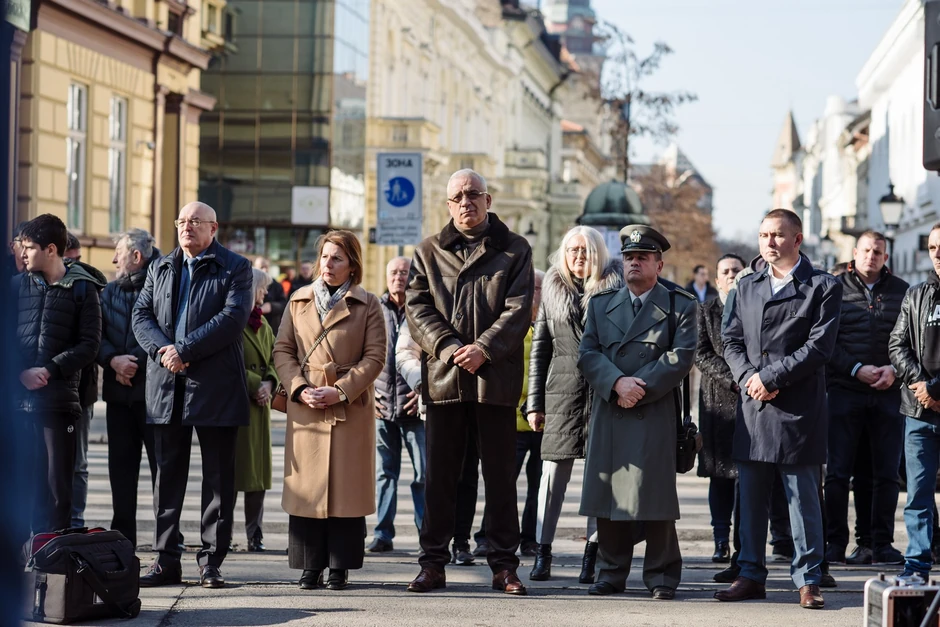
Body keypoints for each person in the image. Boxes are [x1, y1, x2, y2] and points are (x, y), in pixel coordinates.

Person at [405, 168, 533, 596]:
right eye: (458, 196)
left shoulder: (515, 249)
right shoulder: (428, 251)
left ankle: (504, 566)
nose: (466, 202)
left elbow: (518, 309)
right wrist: (447, 347)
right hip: (444, 381)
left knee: (500, 480)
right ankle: (432, 564)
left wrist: (484, 348)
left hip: (495, 381)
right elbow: (417, 308)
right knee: (440, 479)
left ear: (488, 200)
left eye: (474, 194)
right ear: (448, 205)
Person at [717, 209, 842, 610]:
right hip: (754, 405)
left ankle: (808, 579)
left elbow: (819, 347)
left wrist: (770, 377)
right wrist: (748, 377)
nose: (768, 242)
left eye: (777, 235)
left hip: (797, 408)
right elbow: (730, 340)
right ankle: (750, 574)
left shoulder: (822, 286)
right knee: (751, 499)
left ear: (797, 240)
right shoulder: (747, 286)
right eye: (763, 235)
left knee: (803, 501)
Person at [133, 201, 253, 588]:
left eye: (196, 221)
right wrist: (163, 351)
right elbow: (141, 315)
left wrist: (185, 350)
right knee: (166, 477)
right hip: (166, 386)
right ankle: (166, 558)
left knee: (218, 478)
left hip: (215, 387)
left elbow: (232, 319)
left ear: (213, 228)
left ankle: (211, 560)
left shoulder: (236, 267)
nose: (187, 227)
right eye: (182, 221)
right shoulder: (160, 266)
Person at [577, 225, 697, 600]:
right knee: (609, 494)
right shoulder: (601, 304)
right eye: (629, 257)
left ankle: (661, 575)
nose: (633, 263)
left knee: (655, 497)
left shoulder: (680, 305)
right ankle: (610, 572)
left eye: (642, 258)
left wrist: (636, 388)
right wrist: (617, 383)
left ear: (658, 265)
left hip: (654, 411)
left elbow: (681, 357)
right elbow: (588, 353)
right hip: (611, 407)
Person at [273, 230, 385, 591]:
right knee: (307, 489)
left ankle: (340, 566)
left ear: (352, 265)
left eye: (337, 258)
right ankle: (310, 566)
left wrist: (340, 390)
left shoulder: (369, 304)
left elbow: (375, 357)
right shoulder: (298, 300)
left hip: (349, 408)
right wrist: (299, 387)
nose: (328, 264)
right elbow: (282, 350)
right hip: (306, 406)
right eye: (324, 257)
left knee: (345, 491)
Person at [527, 226, 623, 583]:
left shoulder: (616, 292)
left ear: (599, 253)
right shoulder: (552, 292)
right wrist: (534, 403)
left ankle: (592, 555)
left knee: (601, 481)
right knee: (551, 479)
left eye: (586, 250)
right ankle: (543, 552)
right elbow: (540, 351)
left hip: (603, 396)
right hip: (561, 395)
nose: (579, 256)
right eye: (572, 250)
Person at [13, 214, 103, 534]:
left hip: (59, 403)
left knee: (57, 489)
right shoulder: (15, 287)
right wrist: (21, 373)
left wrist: (50, 370)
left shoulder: (83, 289)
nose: (22, 253)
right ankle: (23, 554)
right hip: (18, 403)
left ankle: (53, 554)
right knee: (23, 486)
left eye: (29, 247)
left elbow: (89, 345)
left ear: (50, 250)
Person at [824, 231, 907, 566]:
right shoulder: (833, 289)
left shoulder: (902, 290)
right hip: (845, 391)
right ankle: (834, 543)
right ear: (855, 253)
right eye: (867, 250)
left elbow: (910, 339)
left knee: (886, 474)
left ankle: (879, 543)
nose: (872, 256)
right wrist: (855, 368)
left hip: (888, 393)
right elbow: (824, 341)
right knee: (838, 473)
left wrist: (894, 370)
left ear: (885, 257)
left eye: (878, 252)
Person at [474, 268, 547, 561]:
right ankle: (486, 537)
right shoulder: (508, 325)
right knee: (501, 484)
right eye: (529, 287)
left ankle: (530, 539)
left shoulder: (549, 327)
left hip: (544, 422)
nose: (533, 293)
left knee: (539, 487)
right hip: (511, 421)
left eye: (537, 288)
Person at [98, 229, 161, 546]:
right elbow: (94, 335)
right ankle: (123, 542)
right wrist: (113, 361)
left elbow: (168, 334)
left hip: (155, 397)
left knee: (162, 473)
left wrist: (133, 365)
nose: (113, 259)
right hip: (118, 397)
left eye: (119, 253)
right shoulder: (108, 292)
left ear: (136, 256)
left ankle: (167, 542)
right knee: (120, 473)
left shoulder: (164, 286)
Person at [889, 222, 940, 581]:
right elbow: (897, 345)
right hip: (919, 410)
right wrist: (922, 385)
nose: (938, 254)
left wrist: (937, 388)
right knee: (918, 495)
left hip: (931, 397)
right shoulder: (917, 294)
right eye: (933, 247)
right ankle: (917, 567)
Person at [368, 257, 425, 554]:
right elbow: (362, 355)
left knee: (424, 475)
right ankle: (382, 534)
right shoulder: (374, 309)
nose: (399, 277)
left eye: (405, 272)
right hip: (381, 406)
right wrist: (368, 393)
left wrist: (423, 389)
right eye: (394, 272)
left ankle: (426, 535)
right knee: (384, 474)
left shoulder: (422, 309)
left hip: (415, 407)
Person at [695, 253, 745, 566]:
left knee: (747, 478)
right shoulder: (705, 310)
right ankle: (720, 539)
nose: (731, 275)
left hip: (751, 401)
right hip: (717, 403)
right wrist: (733, 379)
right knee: (720, 475)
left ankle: (743, 543)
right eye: (725, 271)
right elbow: (700, 353)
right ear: (716, 279)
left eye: (736, 270)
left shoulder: (755, 307)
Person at [234, 268, 279, 553]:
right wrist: (255, 384)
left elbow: (276, 358)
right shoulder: (234, 322)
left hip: (260, 408)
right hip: (238, 406)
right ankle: (221, 534)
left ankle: (255, 534)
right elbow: (230, 363)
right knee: (231, 476)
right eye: (262, 288)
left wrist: (270, 383)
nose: (265, 293)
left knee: (257, 477)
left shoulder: (264, 325)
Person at [63, 233, 106, 529]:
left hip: (82, 391)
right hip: (53, 389)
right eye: (70, 260)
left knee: (78, 461)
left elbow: (94, 340)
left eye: (78, 259)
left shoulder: (89, 286)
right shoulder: (38, 283)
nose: (75, 265)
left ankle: (76, 520)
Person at [253, 256, 287, 334]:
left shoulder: (276, 285)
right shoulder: (249, 284)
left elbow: (284, 304)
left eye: (266, 267)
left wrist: (271, 306)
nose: (264, 270)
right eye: (261, 267)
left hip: (272, 327)